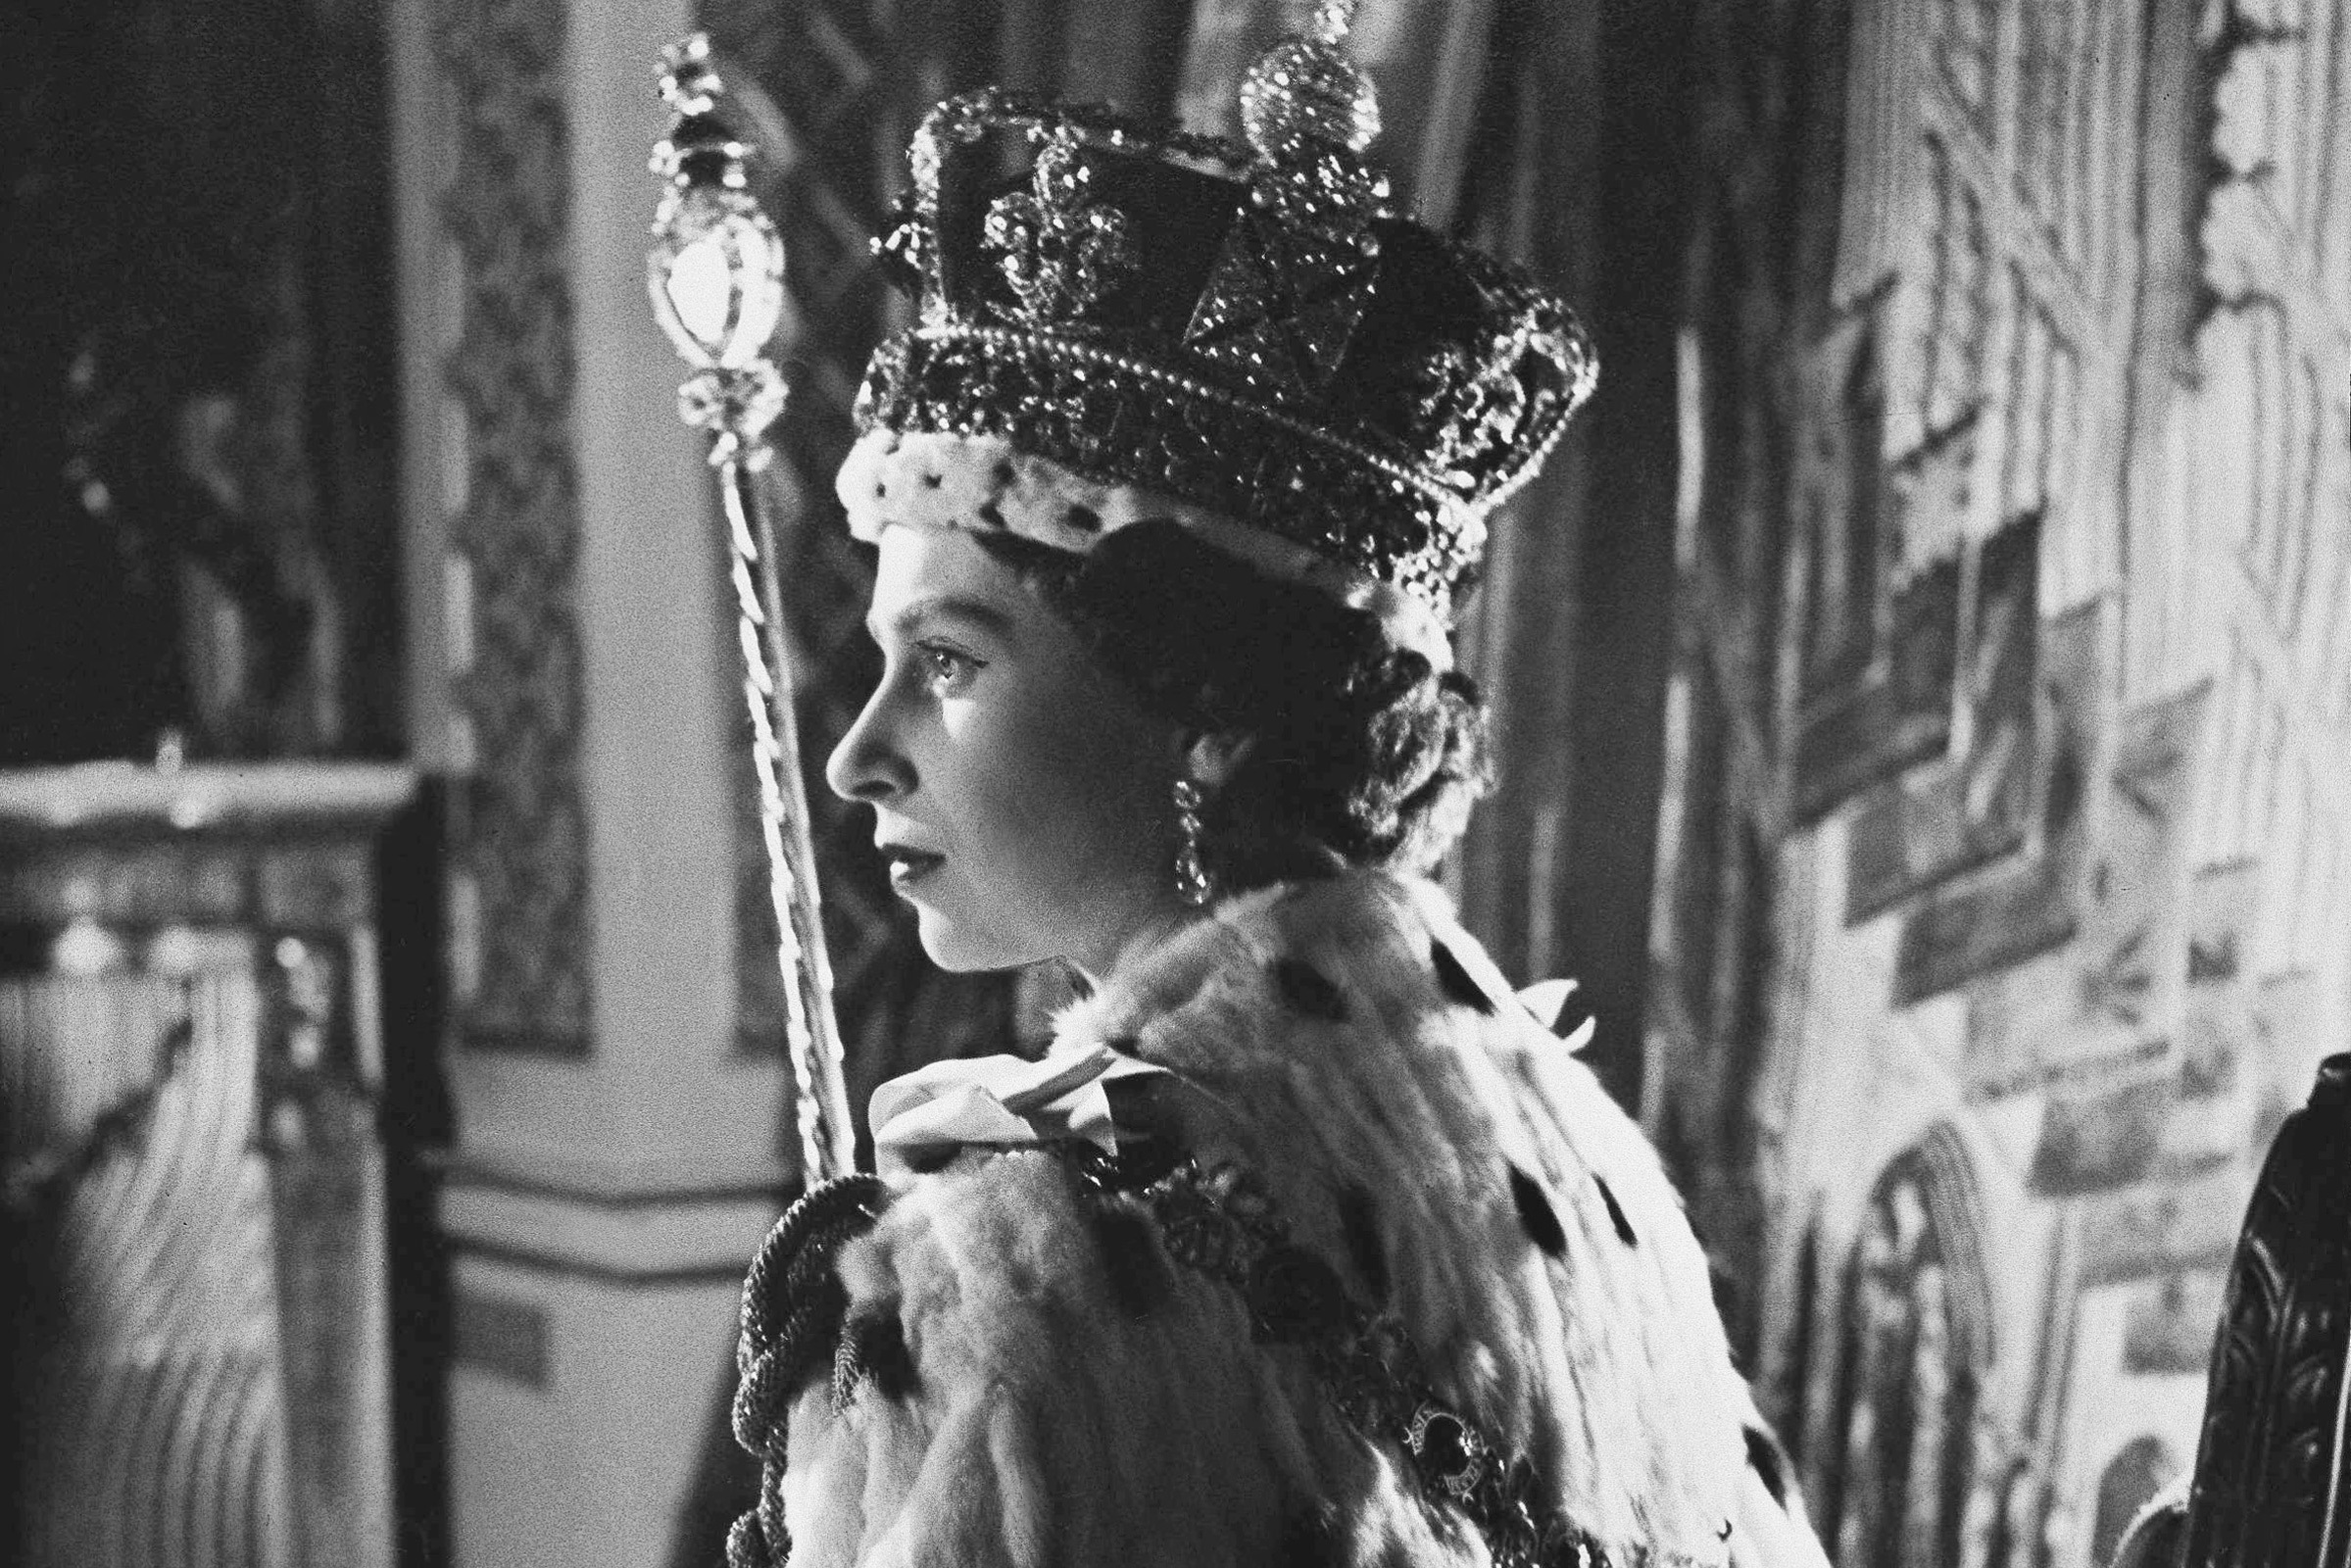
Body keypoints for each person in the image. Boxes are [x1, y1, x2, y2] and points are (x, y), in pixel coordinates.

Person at [723, 12, 1829, 1566]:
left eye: (953, 663)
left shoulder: (1050, 1288)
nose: (860, 753)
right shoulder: (1536, 1104)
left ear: (1201, 705)